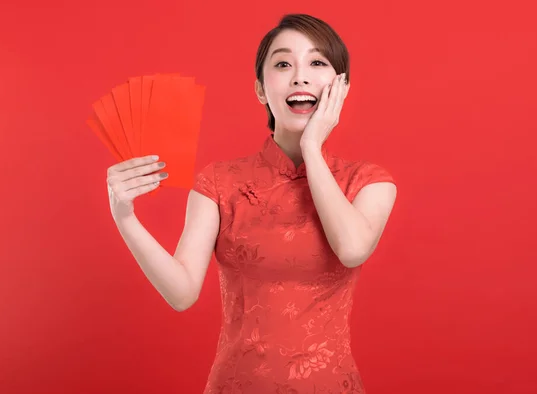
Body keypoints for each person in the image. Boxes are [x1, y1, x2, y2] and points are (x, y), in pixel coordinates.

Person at [106, 13, 397, 394]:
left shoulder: (368, 182)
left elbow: (352, 248)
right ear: (261, 89)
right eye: (282, 64)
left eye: (317, 62)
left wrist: (311, 147)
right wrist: (124, 216)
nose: (300, 76)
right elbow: (181, 293)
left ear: (341, 86)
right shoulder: (219, 182)